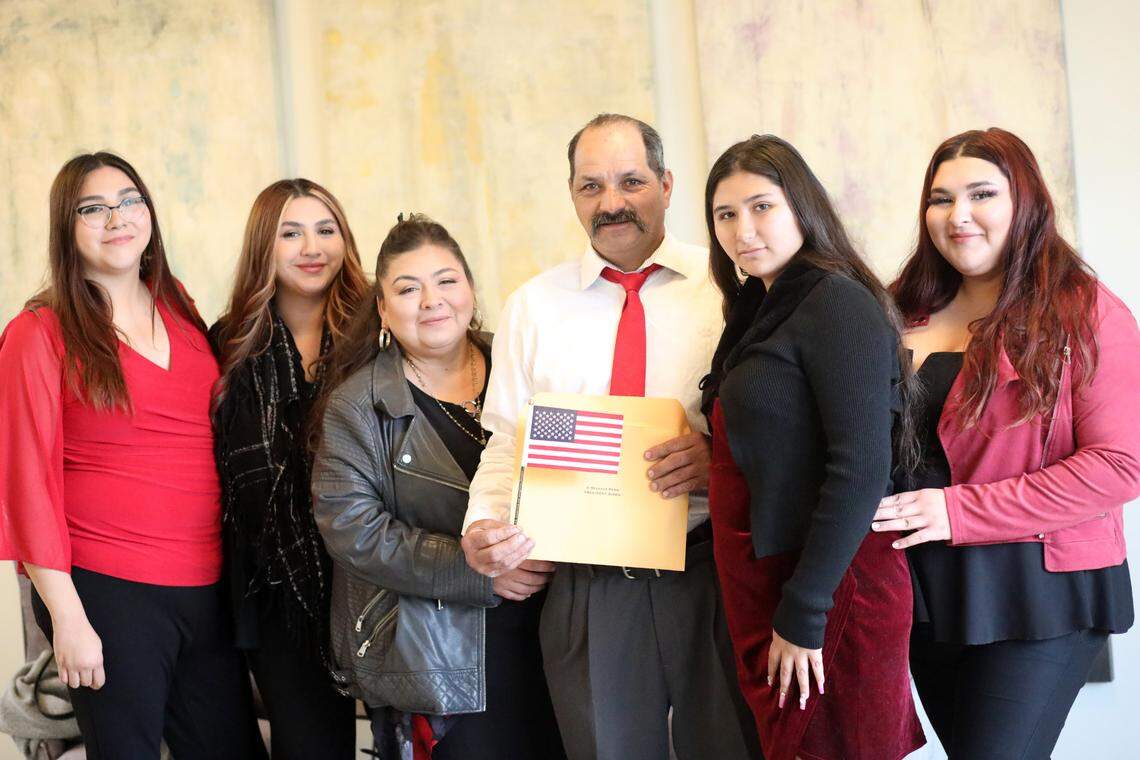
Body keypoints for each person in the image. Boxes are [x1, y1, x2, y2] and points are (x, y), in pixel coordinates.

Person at [460, 114, 761, 760]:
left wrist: (719, 459)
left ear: (668, 184)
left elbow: (781, 430)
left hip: (710, 569)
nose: (612, 203)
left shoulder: (729, 292)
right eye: (591, 186)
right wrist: (481, 527)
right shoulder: (532, 307)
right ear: (572, 194)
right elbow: (508, 442)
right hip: (587, 585)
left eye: (631, 181)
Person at [872, 127, 1140, 758]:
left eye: (981, 194)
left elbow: (1119, 466)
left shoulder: (1087, 313)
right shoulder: (895, 311)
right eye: (940, 199)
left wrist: (957, 510)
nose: (957, 215)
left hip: (1037, 588)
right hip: (923, 589)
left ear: (1026, 202)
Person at [0, 152, 265, 759]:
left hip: (204, 582)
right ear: (66, 229)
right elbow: (24, 484)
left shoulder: (175, 303)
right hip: (107, 589)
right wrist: (67, 617)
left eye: (128, 200)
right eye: (91, 208)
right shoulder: (38, 332)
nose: (115, 218)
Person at [698, 134, 925, 760]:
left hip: (829, 586)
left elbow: (860, 468)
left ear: (802, 206)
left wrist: (805, 613)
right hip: (772, 583)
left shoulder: (836, 302)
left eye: (761, 206)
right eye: (726, 214)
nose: (744, 229)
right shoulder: (758, 307)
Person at [311, 214, 564, 760]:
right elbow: (352, 530)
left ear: (470, 287)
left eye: (447, 281)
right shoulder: (357, 405)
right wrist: (475, 572)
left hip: (552, 628)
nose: (432, 301)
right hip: (436, 648)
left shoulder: (523, 364)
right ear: (382, 308)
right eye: (408, 288)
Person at [211, 179, 369, 758]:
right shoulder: (226, 343)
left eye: (326, 230)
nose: (312, 247)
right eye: (291, 232)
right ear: (264, 247)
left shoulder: (378, 335)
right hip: (276, 590)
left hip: (376, 575)